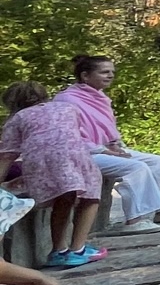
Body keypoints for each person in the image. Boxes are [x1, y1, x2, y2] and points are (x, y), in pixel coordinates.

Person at [53, 54, 160, 233]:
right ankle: (134, 220)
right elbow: (68, 138)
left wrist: (114, 145)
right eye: (104, 72)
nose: (110, 75)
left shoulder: (99, 97)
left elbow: (105, 128)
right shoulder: (67, 100)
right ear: (85, 76)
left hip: (104, 149)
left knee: (158, 161)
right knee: (136, 168)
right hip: (82, 155)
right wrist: (104, 150)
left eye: (112, 72)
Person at [0, 80, 103, 268]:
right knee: (91, 197)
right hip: (73, 156)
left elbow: (7, 155)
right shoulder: (67, 108)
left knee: (62, 199)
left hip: (38, 161)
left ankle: (59, 250)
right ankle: (78, 248)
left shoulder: (18, 118)